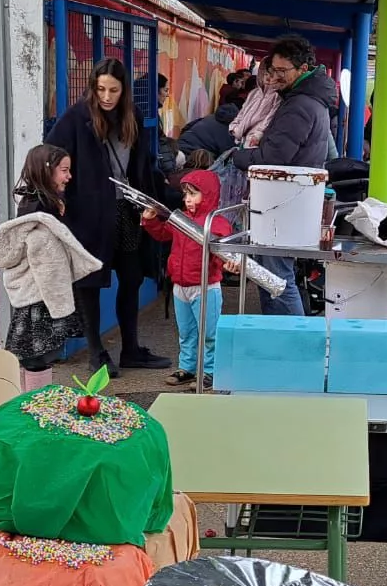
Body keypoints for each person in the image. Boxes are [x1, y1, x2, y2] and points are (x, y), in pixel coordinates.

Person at [47, 58, 170, 375]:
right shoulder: (77, 118)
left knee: (131, 277)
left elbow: (142, 164)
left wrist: (155, 199)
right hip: (89, 213)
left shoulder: (134, 116)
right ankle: (96, 353)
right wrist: (60, 195)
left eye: (113, 89)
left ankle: (131, 348)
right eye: (100, 88)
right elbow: (49, 157)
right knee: (90, 282)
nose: (106, 96)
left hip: (126, 210)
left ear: (123, 89)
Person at [229, 36, 338, 316]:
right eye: (272, 70)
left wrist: (238, 156)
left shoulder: (300, 105)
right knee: (272, 277)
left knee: (277, 279)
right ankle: (279, 340)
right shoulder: (309, 100)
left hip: (282, 205)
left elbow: (272, 158)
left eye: (282, 71)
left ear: (302, 69)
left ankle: (297, 345)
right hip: (290, 203)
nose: (275, 77)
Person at [0, 145, 98, 392]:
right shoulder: (41, 215)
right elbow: (49, 265)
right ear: (46, 171)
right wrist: (62, 306)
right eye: (64, 170)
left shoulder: (32, 204)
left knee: (32, 358)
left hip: (31, 296)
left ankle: (30, 402)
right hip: (42, 297)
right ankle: (37, 403)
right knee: (39, 358)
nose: (69, 176)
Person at [142, 169, 238, 390]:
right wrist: (151, 222)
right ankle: (188, 367)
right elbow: (163, 234)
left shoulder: (217, 223)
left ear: (208, 194)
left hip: (206, 287)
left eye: (193, 194)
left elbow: (226, 252)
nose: (187, 199)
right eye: (185, 194)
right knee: (186, 332)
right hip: (180, 286)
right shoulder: (181, 218)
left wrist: (231, 264)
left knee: (210, 333)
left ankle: (210, 372)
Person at [230, 61, 281, 149]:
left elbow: (269, 119)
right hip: (241, 141)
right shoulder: (254, 93)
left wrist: (258, 135)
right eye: (265, 74)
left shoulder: (277, 96)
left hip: (255, 144)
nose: (268, 78)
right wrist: (234, 128)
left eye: (272, 75)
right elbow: (242, 112)